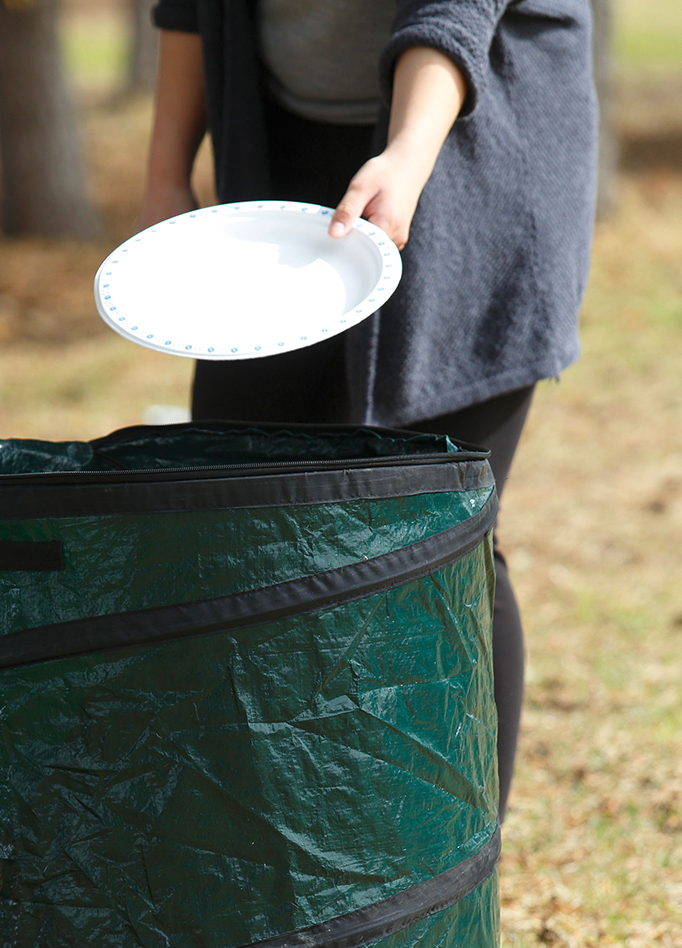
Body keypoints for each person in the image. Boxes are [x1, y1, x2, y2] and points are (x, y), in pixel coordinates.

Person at [137, 0, 598, 822]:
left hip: (470, 158)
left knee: (436, 542)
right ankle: (306, 876)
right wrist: (167, 169)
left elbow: (454, 11)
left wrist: (409, 155)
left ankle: (454, 906)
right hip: (280, 166)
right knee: (244, 524)